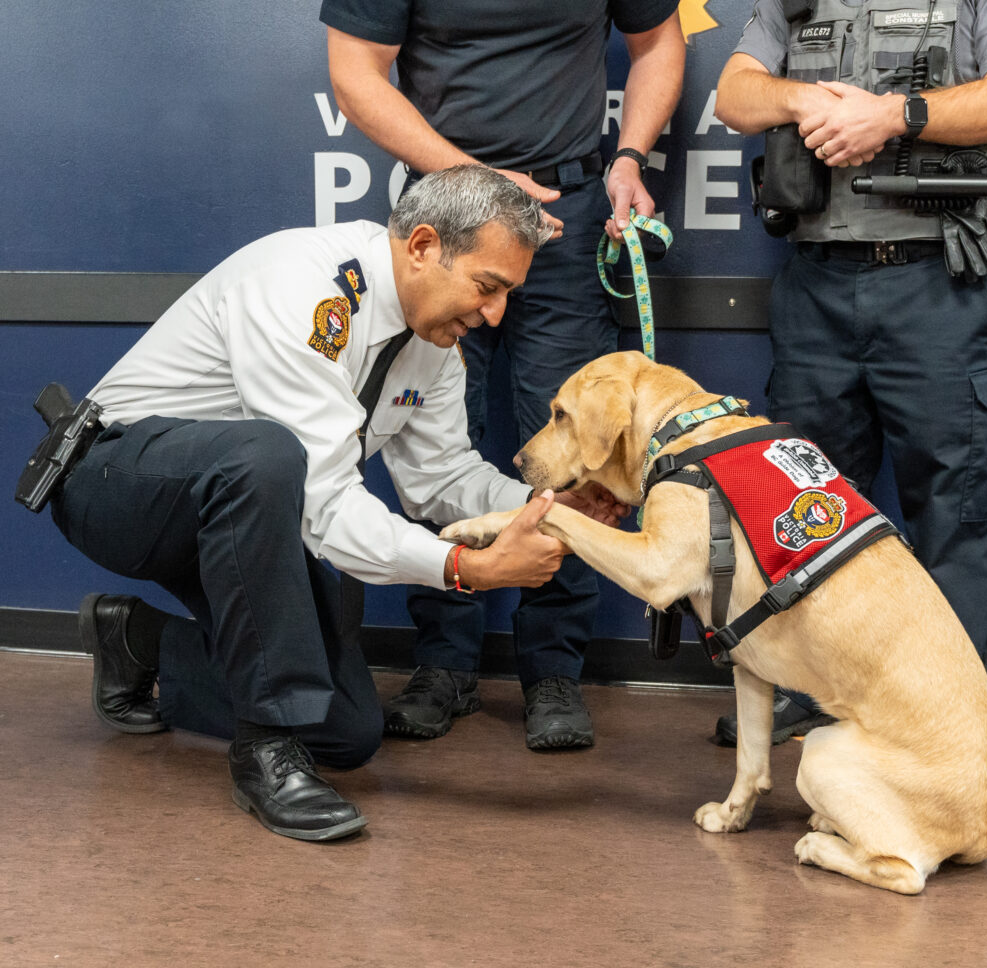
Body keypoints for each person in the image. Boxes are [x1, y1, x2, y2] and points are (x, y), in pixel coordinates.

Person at [46, 166, 627, 842]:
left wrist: (549, 508)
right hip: (111, 481)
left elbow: (442, 477)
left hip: (234, 513)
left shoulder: (436, 346)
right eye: (487, 287)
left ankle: (139, 643)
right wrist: (467, 569)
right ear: (422, 247)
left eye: (508, 294)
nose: (495, 314)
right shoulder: (304, 286)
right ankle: (264, 756)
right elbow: (322, 505)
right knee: (265, 454)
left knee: (346, 728)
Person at [319, 0, 685, 750]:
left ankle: (553, 669)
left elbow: (658, 42)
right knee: (435, 444)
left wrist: (630, 156)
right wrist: (473, 177)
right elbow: (355, 75)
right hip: (448, 211)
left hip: (570, 212)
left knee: (574, 452)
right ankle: (444, 663)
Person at [712, 0, 987, 744]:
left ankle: (944, 718)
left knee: (951, 510)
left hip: (932, 285)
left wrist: (894, 116)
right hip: (816, 286)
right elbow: (734, 94)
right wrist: (805, 98)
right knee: (807, 508)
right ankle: (812, 692)